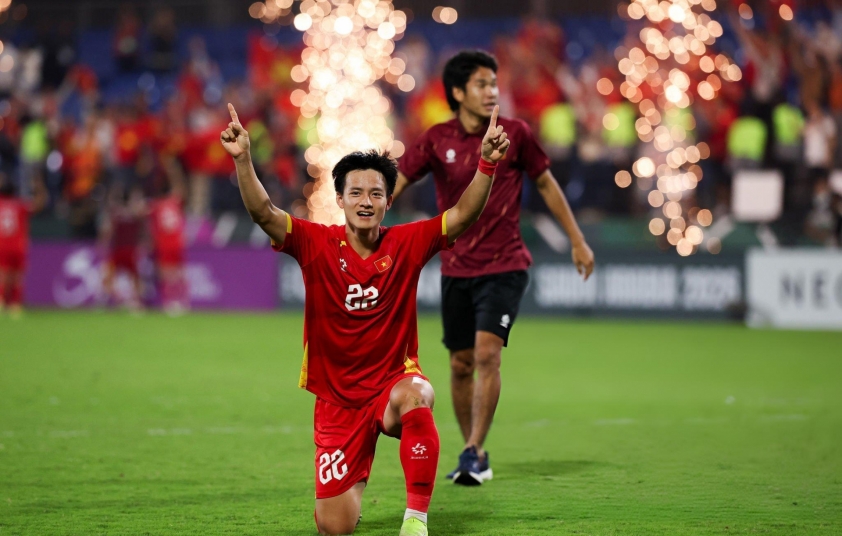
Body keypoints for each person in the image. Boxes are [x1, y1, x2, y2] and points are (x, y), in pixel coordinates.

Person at [220, 102, 510, 536]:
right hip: (337, 403)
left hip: (391, 385)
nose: (365, 202)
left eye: (376, 194)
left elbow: (463, 215)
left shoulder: (407, 242)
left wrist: (486, 163)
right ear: (339, 199)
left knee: (418, 396)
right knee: (334, 527)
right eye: (355, 193)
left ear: (388, 201)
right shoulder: (315, 243)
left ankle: (415, 520)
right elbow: (264, 213)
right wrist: (243, 159)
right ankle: (347, 492)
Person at [394, 50, 595, 486]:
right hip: (455, 268)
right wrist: (366, 218)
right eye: (481, 84)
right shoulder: (436, 139)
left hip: (505, 264)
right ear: (458, 92)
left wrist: (577, 240)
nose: (491, 92)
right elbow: (398, 181)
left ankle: (473, 449)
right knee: (460, 363)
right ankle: (475, 453)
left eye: (493, 84)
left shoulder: (515, 134)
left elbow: (546, 184)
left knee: (487, 354)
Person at [0, 177, 44, 318]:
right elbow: (37, 206)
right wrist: (40, 189)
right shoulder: (20, 205)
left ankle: (1, 302)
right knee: (17, 277)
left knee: (3, 275)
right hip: (18, 246)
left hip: (2, 245)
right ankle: (15, 305)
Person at [100, 186, 146, 310]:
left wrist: (103, 243)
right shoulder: (130, 213)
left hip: (125, 250)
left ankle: (129, 300)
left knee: (132, 277)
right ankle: (122, 299)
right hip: (124, 250)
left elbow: (109, 231)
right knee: (130, 277)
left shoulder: (118, 213)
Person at [149, 185, 188, 315]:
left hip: (164, 243)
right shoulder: (175, 202)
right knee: (179, 273)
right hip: (177, 242)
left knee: (165, 275)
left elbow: (151, 226)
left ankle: (168, 302)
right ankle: (183, 301)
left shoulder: (156, 206)